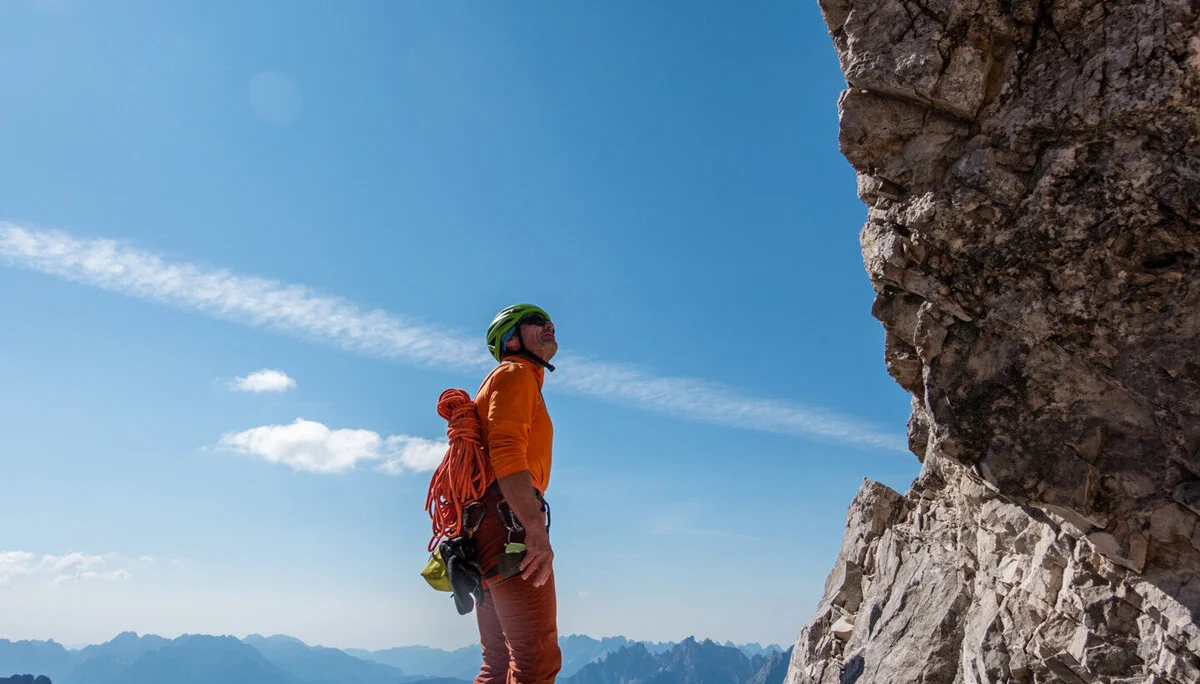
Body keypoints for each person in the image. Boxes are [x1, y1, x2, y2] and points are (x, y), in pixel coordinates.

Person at [471, 303, 561, 684]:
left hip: (482, 529)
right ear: (510, 339)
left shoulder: (504, 381)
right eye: (535, 322)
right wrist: (535, 532)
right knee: (534, 664)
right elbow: (507, 451)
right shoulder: (515, 374)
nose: (548, 325)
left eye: (549, 321)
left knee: (498, 662)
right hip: (511, 527)